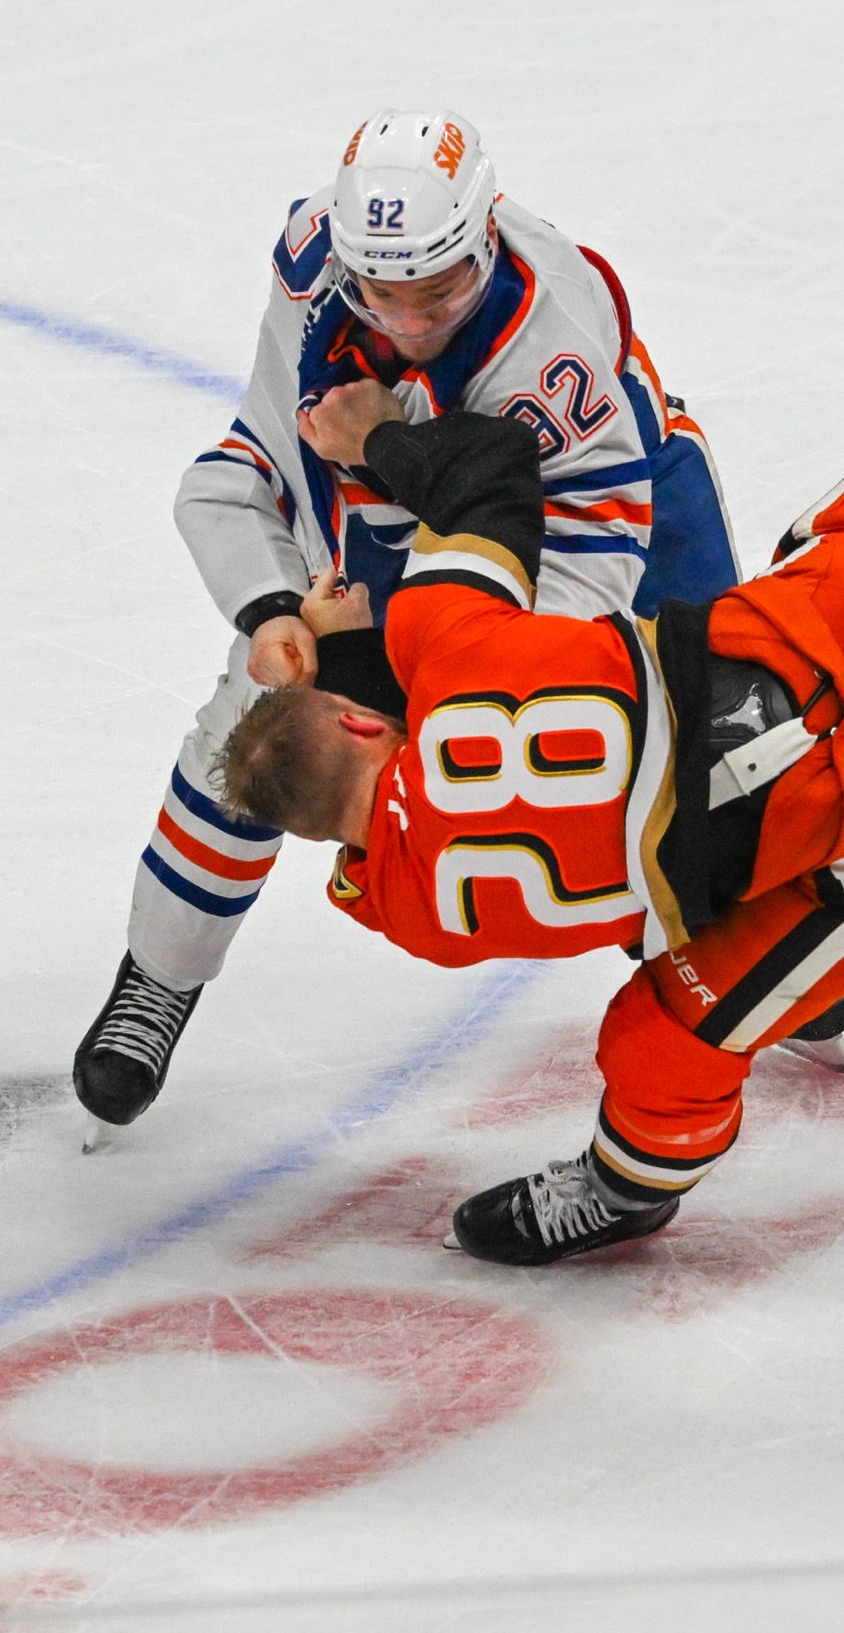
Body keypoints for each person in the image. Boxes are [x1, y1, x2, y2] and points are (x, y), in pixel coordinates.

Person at [210, 0, 844, 1265]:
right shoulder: (448, 642)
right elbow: (488, 486)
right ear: (364, 708)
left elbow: (525, 842)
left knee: (663, 1032)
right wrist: (385, 455)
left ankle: (630, 1188)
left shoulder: (397, 904)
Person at [69, 111, 738, 1130]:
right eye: (386, 292)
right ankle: (161, 973)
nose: (412, 317)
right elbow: (244, 464)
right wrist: (279, 611)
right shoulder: (309, 266)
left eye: (440, 290)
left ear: (481, 244)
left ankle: (757, 960)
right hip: (413, 516)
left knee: (703, 753)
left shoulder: (549, 354)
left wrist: (406, 654)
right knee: (252, 726)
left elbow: (570, 600)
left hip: (606, 517)